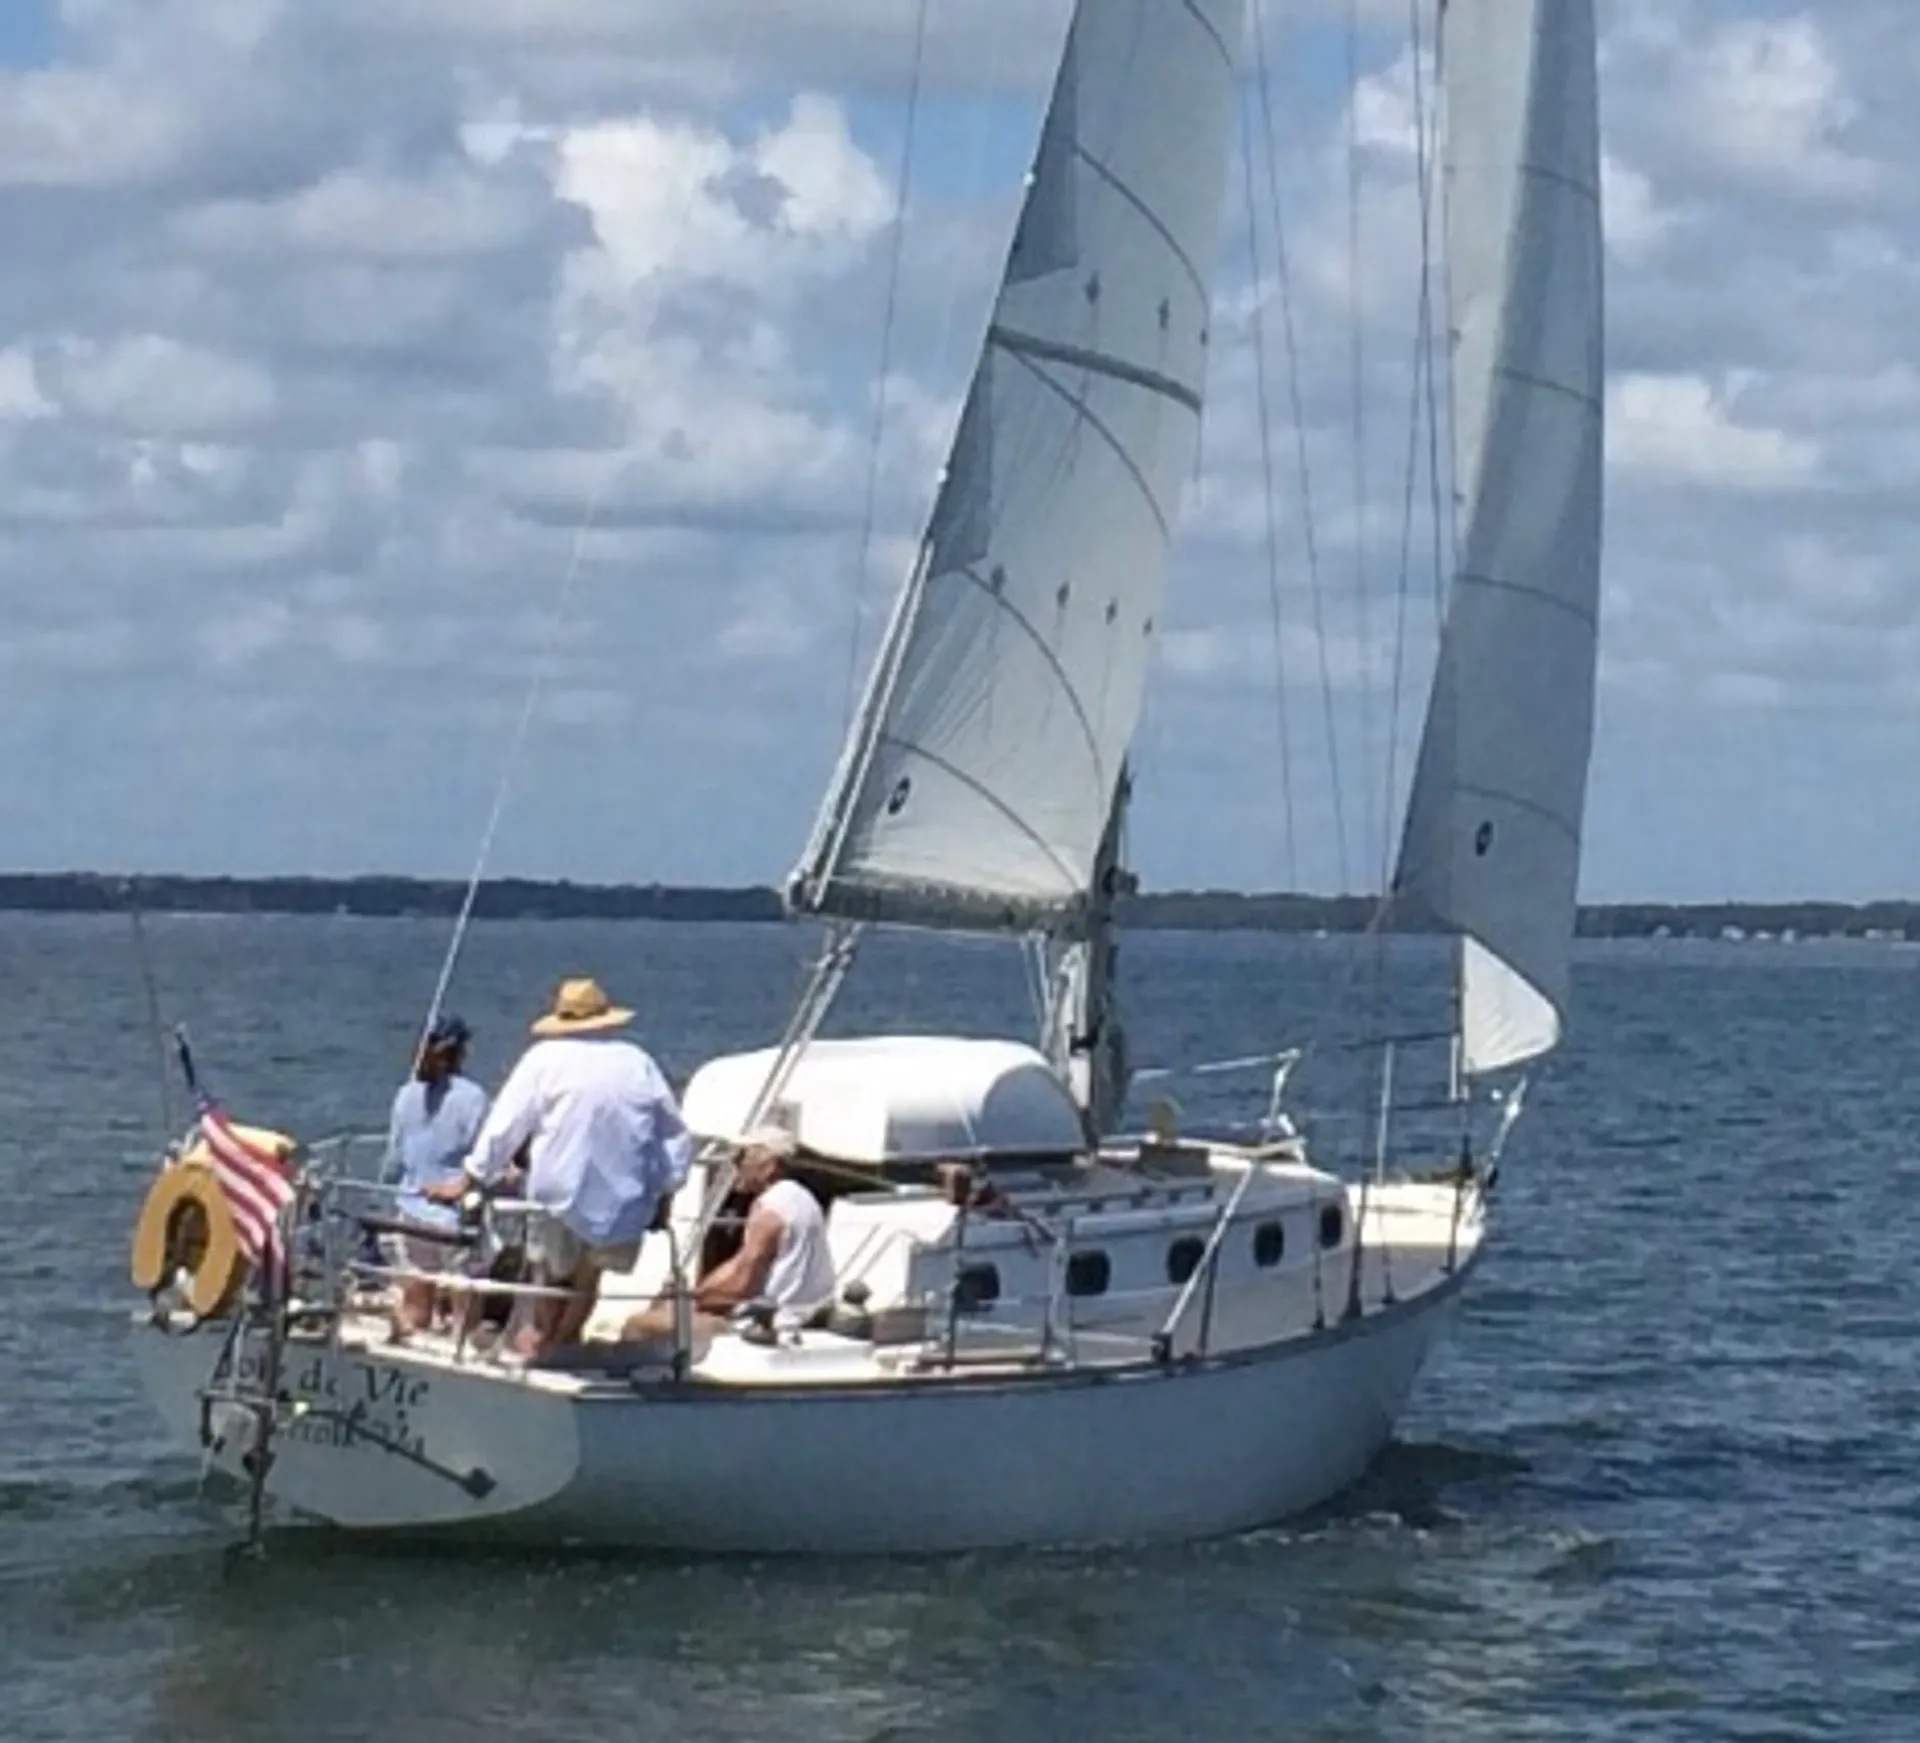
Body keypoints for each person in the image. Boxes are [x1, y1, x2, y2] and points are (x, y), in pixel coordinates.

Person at [431, 976, 691, 1360]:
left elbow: (506, 1125)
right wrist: (666, 1189)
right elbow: (672, 1133)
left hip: (559, 1192)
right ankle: (564, 1345)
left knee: (547, 1278)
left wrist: (472, 1176)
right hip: (625, 1197)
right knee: (590, 1278)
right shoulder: (638, 1062)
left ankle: (538, 1347)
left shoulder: (544, 1060)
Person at [621, 1125, 835, 1343]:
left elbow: (743, 1282)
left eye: (742, 1156)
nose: (736, 1164)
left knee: (640, 1325)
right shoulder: (800, 1198)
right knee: (670, 1310)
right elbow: (740, 1264)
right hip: (801, 1314)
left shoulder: (769, 1211)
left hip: (772, 1322)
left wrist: (691, 1301)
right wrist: (696, 1293)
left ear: (769, 1165)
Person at [380, 1013, 489, 1337]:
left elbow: (393, 1162)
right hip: (453, 1218)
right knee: (464, 1307)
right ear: (460, 1051)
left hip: (410, 1210)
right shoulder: (473, 1098)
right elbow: (485, 1158)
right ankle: (461, 1344)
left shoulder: (406, 1095)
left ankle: (416, 1339)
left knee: (417, 1304)